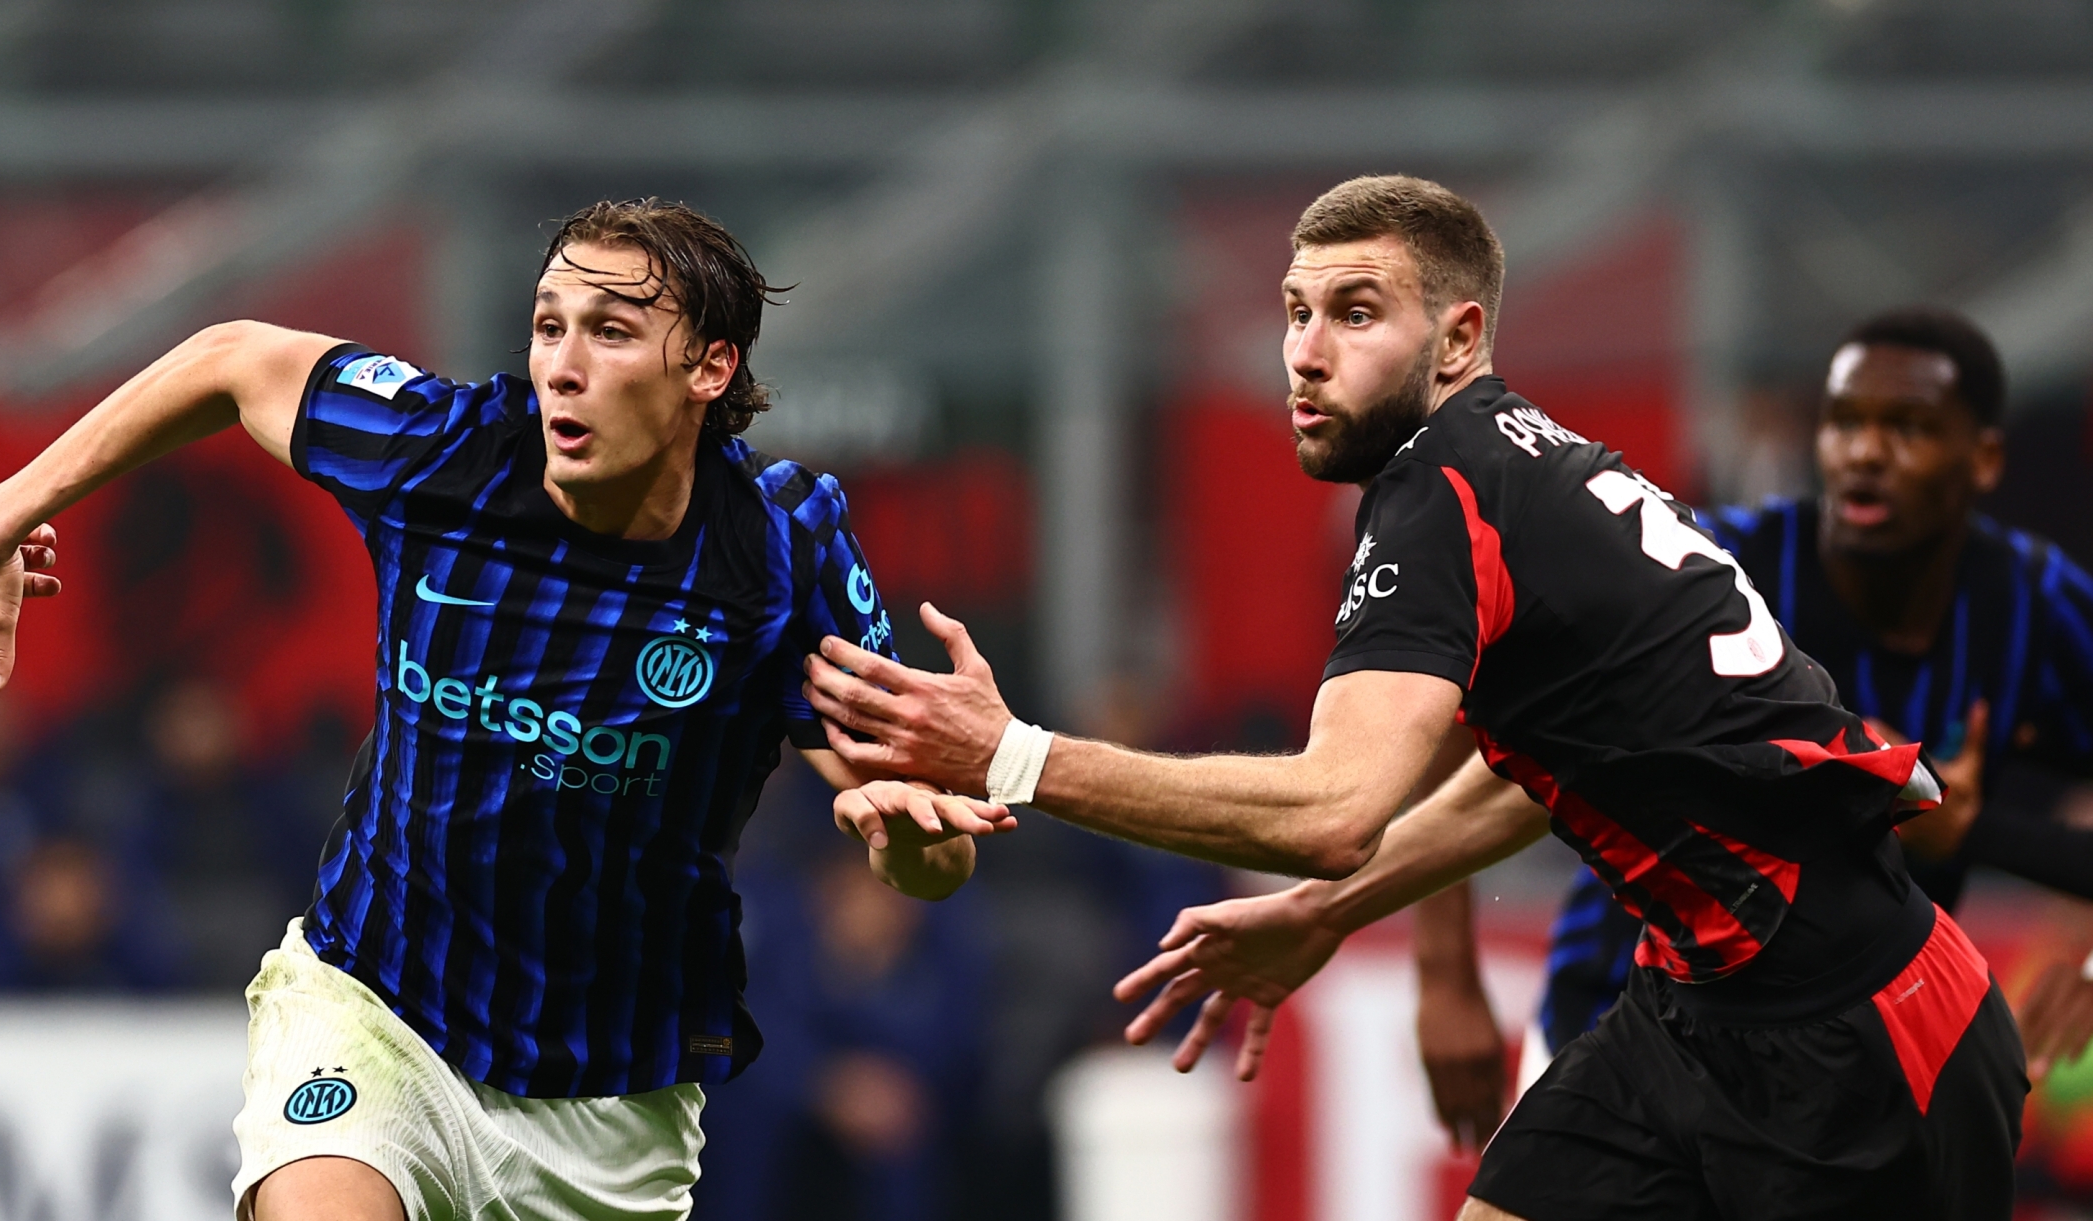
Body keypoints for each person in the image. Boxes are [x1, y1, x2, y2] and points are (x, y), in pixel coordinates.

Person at [804, 175, 2025, 1219]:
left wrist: (1009, 754)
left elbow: (1333, 808)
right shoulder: (1522, 463)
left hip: (1859, 1037)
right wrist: (1340, 916)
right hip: (1695, 1010)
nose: (1306, 350)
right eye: (1292, 314)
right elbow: (1541, 767)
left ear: (1457, 339)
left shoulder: (1445, 489)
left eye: (1355, 312)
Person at [0, 198, 1008, 1221]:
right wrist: (16, 498)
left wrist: (913, 842)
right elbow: (230, 357)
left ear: (709, 367)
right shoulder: (443, 451)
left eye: (611, 331)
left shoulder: (780, 552)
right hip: (379, 1010)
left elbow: (917, 831)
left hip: (606, 1107)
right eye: (549, 326)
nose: (562, 363)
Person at [1412, 305, 2093, 1152]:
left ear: (1984, 457)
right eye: (1845, 421)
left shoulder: (2033, 606)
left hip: (1857, 1066)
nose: (1865, 452)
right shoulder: (1716, 565)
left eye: (1909, 427)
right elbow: (1471, 674)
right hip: (1618, 1027)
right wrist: (1444, 974)